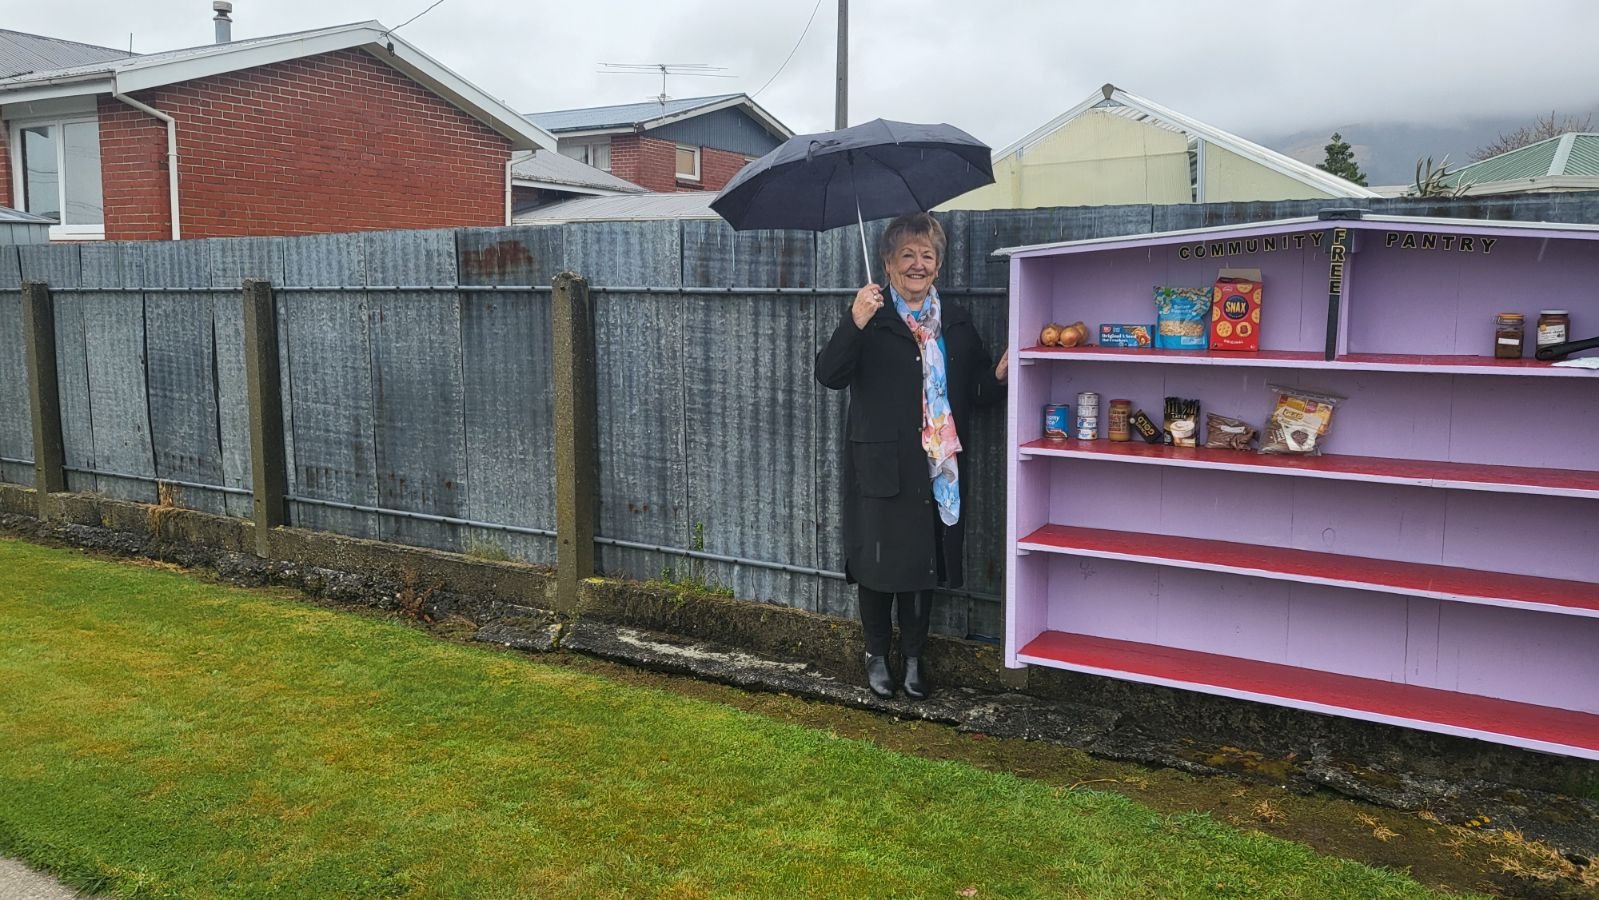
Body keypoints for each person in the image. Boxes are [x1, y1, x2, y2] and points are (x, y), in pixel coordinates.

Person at [814, 212, 1007, 700]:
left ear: (938, 265)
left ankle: (915, 658)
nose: (918, 265)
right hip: (881, 462)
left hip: (935, 467)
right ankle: (876, 655)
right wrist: (853, 321)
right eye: (907, 255)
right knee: (877, 565)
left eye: (928, 255)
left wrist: (1003, 374)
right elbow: (829, 374)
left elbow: (978, 389)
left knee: (924, 565)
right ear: (887, 261)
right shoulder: (871, 317)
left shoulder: (956, 323)